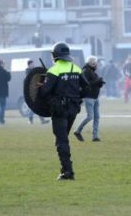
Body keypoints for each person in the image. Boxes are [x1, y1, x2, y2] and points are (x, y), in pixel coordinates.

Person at [40, 42, 86, 180]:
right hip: (73, 109)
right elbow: (86, 87)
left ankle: (68, 172)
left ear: (55, 56)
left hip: (59, 110)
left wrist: (43, 85)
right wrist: (77, 97)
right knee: (63, 138)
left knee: (61, 141)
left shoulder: (54, 71)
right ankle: (65, 168)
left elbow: (44, 92)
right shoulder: (76, 69)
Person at [74, 56, 105, 142]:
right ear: (93, 63)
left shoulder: (92, 71)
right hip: (89, 97)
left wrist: (100, 83)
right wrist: (97, 82)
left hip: (95, 97)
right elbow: (86, 84)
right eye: (96, 63)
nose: (97, 65)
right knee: (90, 116)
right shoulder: (86, 71)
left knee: (97, 117)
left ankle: (95, 136)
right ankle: (77, 130)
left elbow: (93, 83)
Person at [26, 60, 49, 125]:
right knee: (33, 106)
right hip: (32, 91)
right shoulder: (28, 71)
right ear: (29, 65)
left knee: (38, 105)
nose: (33, 65)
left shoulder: (34, 70)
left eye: (33, 64)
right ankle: (30, 120)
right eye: (32, 64)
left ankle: (42, 120)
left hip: (36, 90)